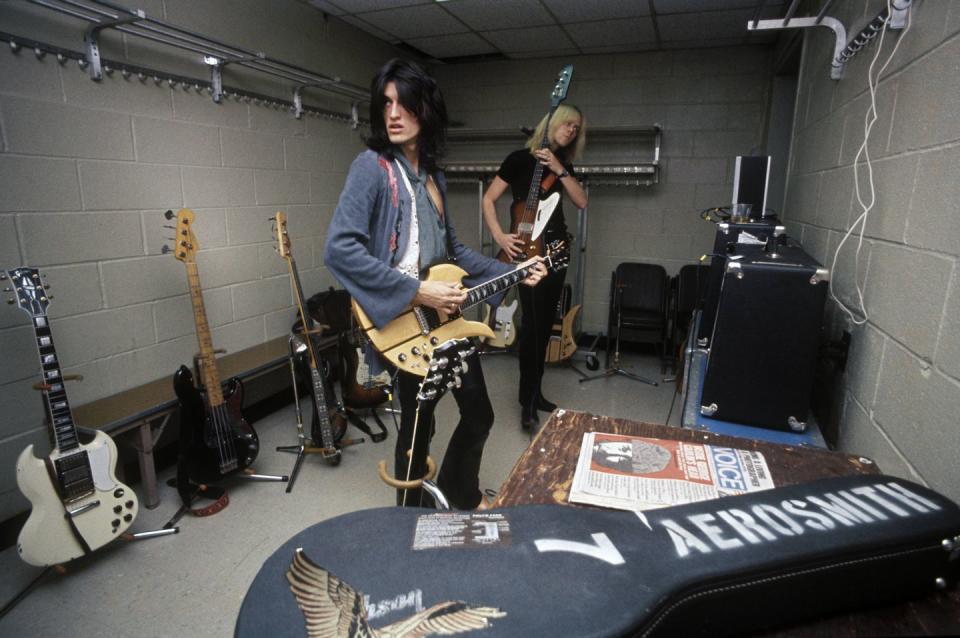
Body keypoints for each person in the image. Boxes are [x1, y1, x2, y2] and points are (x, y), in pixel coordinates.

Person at [324, 59, 546, 510]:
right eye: (386, 104)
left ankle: (457, 492)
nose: (393, 114)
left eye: (404, 103)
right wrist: (417, 292)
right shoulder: (371, 168)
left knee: (479, 414)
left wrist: (514, 271)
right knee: (417, 429)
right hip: (406, 323)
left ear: (426, 111)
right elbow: (340, 250)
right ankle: (410, 518)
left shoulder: (433, 177)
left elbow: (453, 254)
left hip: (447, 319)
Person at [481, 104, 588, 430]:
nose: (571, 131)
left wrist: (560, 168)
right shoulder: (518, 159)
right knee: (530, 325)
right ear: (552, 123)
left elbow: (582, 202)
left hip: (557, 251)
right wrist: (500, 237)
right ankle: (526, 400)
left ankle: (535, 392)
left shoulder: (564, 164)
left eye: (576, 128)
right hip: (528, 252)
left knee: (545, 323)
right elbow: (489, 199)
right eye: (568, 124)